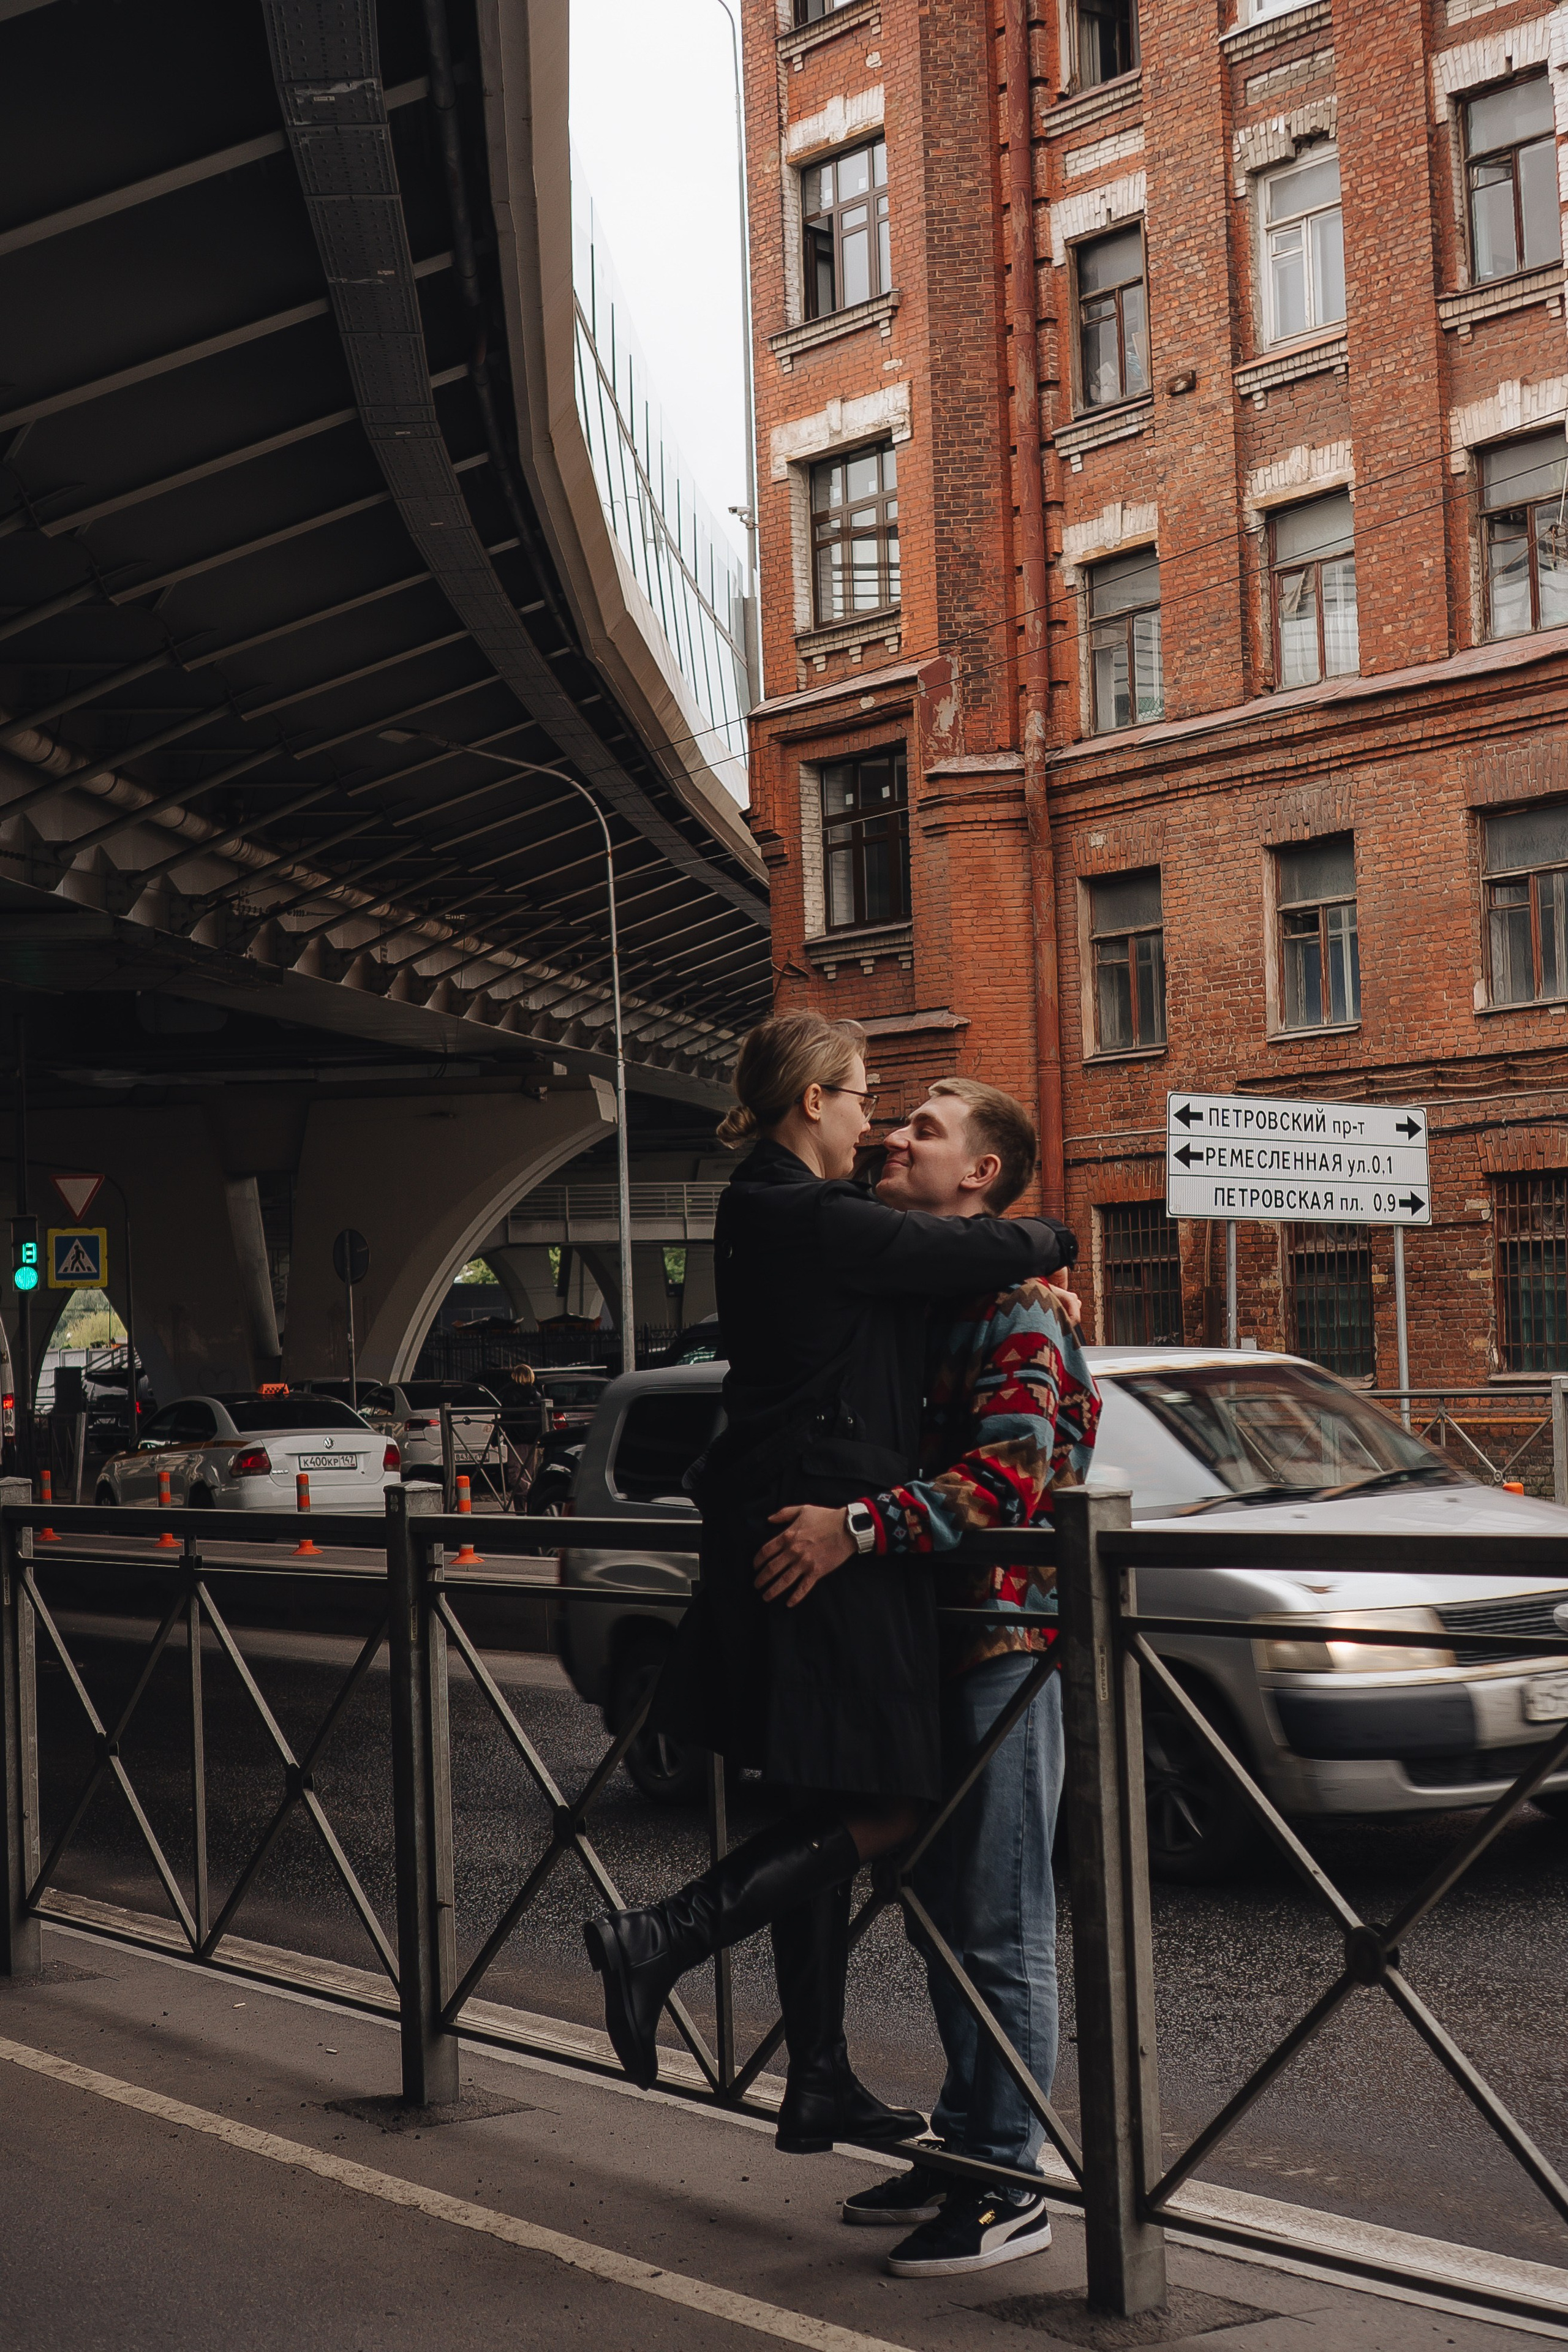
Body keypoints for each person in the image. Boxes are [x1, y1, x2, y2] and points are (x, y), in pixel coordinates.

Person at [582, 1014, 1076, 2158]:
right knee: (882, 1807)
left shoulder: (812, 1221)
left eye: (915, 1121)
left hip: (861, 1559)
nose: (881, 1122)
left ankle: (820, 2078)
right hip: (823, 1544)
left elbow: (975, 1369)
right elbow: (950, 1263)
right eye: (866, 1098)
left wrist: (1033, 1292)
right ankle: (660, 1941)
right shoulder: (809, 1211)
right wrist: (1045, 1246)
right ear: (814, 1101)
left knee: (829, 1802)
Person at [753, 1078, 1099, 2277]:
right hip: (920, 1648)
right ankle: (964, 2140)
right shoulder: (924, 1295)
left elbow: (1011, 1477)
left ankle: (1009, 2184)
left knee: (996, 1922)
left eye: (927, 1130)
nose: (895, 1136)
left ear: (978, 1179)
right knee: (944, 1916)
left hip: (1002, 1649)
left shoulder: (1016, 1310)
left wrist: (853, 1526)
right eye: (894, 1120)